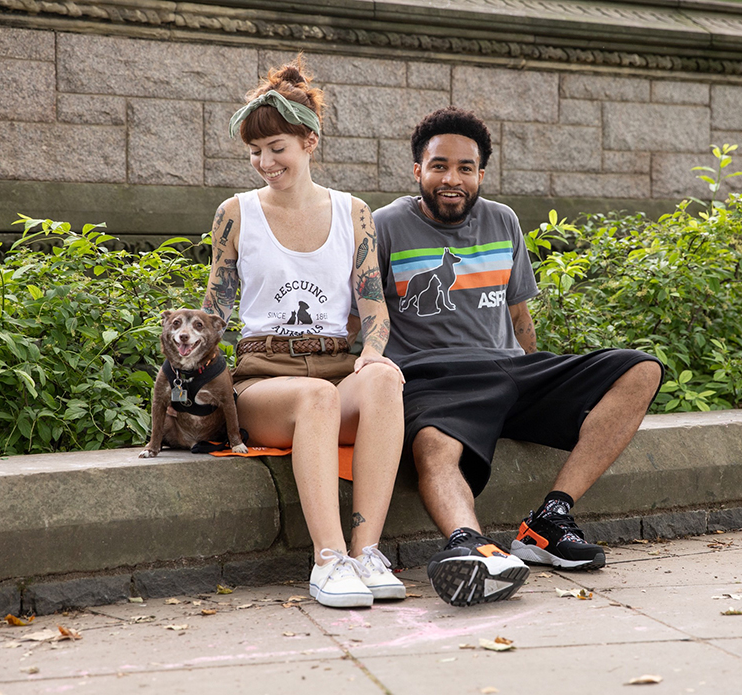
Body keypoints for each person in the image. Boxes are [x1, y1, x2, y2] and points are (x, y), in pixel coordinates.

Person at [372, 107, 664, 607]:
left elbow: (519, 316)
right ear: (417, 170)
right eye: (439, 165)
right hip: (432, 376)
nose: (452, 178)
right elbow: (366, 321)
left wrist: (532, 373)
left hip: (510, 368)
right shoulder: (384, 227)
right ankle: (469, 544)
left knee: (641, 368)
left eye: (466, 168)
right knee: (434, 449)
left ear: (480, 174)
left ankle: (548, 521)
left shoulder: (503, 220)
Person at [201, 59, 406, 609]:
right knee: (315, 397)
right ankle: (328, 561)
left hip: (339, 363)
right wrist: (192, 375)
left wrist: (373, 356)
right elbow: (215, 306)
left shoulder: (354, 212)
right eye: (255, 151)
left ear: (308, 142)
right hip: (265, 376)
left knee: (386, 380)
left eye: (276, 148)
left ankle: (365, 553)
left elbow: (374, 307)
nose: (263, 162)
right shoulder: (236, 213)